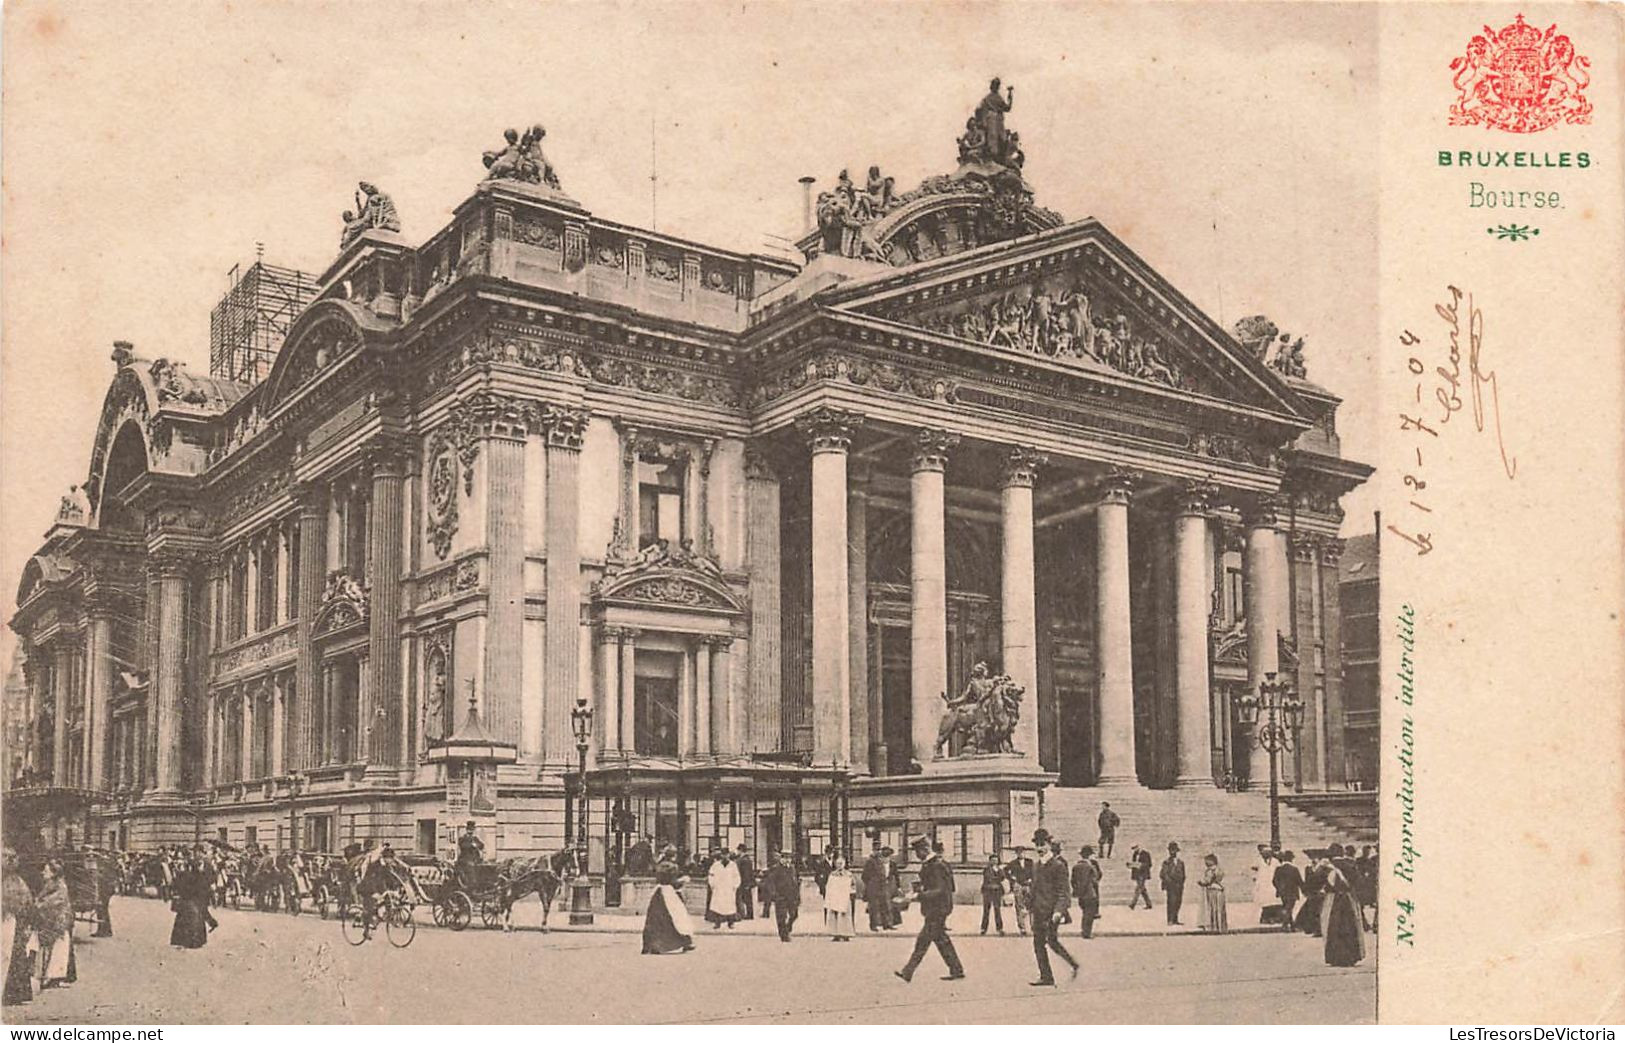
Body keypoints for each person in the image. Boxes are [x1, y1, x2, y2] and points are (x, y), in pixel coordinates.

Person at [895, 838, 964, 983]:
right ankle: (957, 970)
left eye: (917, 852)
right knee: (941, 940)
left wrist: (917, 896)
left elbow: (939, 889)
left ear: (925, 849)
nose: (917, 855)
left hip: (938, 908)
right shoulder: (931, 864)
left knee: (923, 940)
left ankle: (908, 971)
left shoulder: (936, 865)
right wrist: (917, 890)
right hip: (936, 907)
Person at [1025, 830, 1077, 985]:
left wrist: (1059, 911)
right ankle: (1048, 976)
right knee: (1042, 943)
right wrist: (1027, 906)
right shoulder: (1036, 865)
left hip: (1051, 912)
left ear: (1049, 845)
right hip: (1038, 911)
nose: (1040, 848)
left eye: (1042, 845)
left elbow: (1064, 892)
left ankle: (1066, 967)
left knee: (1048, 942)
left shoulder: (1058, 866)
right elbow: (1034, 889)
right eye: (1037, 845)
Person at [641, 846, 695, 955]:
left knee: (655, 919)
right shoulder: (673, 866)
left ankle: (651, 945)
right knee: (678, 917)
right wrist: (683, 880)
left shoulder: (659, 865)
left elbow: (658, 877)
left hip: (658, 892)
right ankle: (684, 942)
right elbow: (673, 882)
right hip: (669, 893)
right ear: (673, 856)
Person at [35, 861, 76, 986]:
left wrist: (39, 904)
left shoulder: (60, 886)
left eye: (46, 871)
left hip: (59, 923)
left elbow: (52, 902)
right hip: (52, 922)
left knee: (59, 949)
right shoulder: (50, 885)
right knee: (53, 949)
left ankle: (55, 977)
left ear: (54, 873)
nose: (43, 873)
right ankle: (51, 975)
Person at [2, 850, 35, 1006]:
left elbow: (24, 905)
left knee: (11, 955)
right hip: (13, 922)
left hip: (11, 922)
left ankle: (12, 993)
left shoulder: (14, 882)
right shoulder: (18, 881)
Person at [1322, 856, 1366, 966]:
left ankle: (1335, 957)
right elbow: (1359, 882)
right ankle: (1351, 956)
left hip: (1334, 900)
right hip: (1348, 899)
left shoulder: (1328, 868)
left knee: (1334, 927)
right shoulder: (1350, 866)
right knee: (1350, 926)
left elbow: (1320, 883)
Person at [168, 855, 212, 949]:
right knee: (196, 921)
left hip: (185, 904)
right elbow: (203, 891)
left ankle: (180, 940)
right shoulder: (200, 877)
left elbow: (176, 886)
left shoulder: (183, 875)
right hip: (195, 905)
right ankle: (194, 942)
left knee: (182, 921)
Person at [760, 850, 800, 942]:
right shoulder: (776, 869)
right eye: (785, 858)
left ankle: (788, 927)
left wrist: (798, 896)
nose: (787, 860)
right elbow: (770, 882)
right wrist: (775, 895)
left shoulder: (792, 869)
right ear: (781, 859)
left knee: (794, 914)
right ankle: (784, 935)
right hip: (781, 896)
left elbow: (795, 882)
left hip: (792, 897)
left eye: (789, 858)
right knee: (781, 917)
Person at [1295, 851, 1330, 936]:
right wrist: (1306, 891)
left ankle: (1318, 930)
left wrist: (1323, 889)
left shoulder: (1324, 868)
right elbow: (1307, 881)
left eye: (1315, 858)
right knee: (1311, 911)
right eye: (1312, 858)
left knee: (1318, 911)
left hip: (1320, 892)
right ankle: (1312, 928)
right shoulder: (1308, 868)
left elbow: (1327, 880)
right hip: (1312, 893)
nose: (1313, 860)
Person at [824, 852, 855, 942]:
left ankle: (846, 934)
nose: (840, 865)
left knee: (845, 915)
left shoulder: (849, 874)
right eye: (838, 863)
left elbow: (853, 886)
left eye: (841, 863)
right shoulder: (832, 874)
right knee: (835, 915)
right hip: (835, 898)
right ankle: (836, 934)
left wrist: (851, 893)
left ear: (844, 864)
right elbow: (829, 886)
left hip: (845, 898)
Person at [1071, 845, 1101, 939]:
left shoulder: (1076, 866)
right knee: (1089, 914)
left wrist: (1077, 890)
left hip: (1081, 894)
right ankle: (1087, 932)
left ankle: (1084, 931)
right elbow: (1095, 878)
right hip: (1090, 893)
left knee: (1085, 913)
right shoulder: (1090, 866)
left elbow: (1072, 881)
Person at [706, 849, 740, 929]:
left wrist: (735, 886)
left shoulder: (733, 865)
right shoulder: (716, 865)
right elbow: (711, 875)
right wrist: (713, 885)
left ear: (729, 855)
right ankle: (717, 923)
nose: (725, 856)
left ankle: (731, 923)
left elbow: (737, 876)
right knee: (718, 906)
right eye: (723, 854)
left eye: (726, 854)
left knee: (730, 906)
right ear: (721, 855)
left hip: (729, 888)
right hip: (719, 888)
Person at [1004, 845, 1034, 936]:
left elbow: (1035, 871)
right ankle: (1022, 928)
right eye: (1019, 852)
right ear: (1016, 853)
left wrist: (1032, 879)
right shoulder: (1013, 863)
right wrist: (1012, 879)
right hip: (1019, 885)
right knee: (1019, 906)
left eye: (1023, 852)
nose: (1021, 854)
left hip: (1029, 885)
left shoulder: (1030, 862)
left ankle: (1033, 926)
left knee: (1031, 906)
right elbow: (1005, 871)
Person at [1273, 851, 1304, 932]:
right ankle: (1285, 925)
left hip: (1282, 893)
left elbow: (1274, 881)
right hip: (1292, 892)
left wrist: (1279, 888)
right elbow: (1299, 881)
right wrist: (1304, 890)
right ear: (1291, 859)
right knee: (1289, 908)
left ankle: (1292, 926)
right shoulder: (1294, 869)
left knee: (1287, 908)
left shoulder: (1279, 869)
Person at [861, 847, 890, 932]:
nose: (877, 852)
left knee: (884, 905)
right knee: (873, 907)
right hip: (873, 887)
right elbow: (864, 876)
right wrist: (871, 883)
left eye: (878, 850)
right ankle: (873, 925)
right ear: (873, 851)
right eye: (875, 850)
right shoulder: (870, 861)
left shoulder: (881, 860)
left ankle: (886, 924)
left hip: (881, 886)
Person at [1198, 854, 1227, 933]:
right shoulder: (1219, 870)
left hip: (1213, 890)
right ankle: (1220, 926)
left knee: (1212, 908)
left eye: (1206, 861)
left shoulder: (1210, 870)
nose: (1205, 863)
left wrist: (1201, 883)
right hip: (1219, 890)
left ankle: (1213, 927)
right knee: (1219, 909)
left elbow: (1208, 881)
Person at [1160, 842, 1187, 925]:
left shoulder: (1180, 862)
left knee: (1178, 902)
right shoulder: (1166, 862)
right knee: (1171, 902)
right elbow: (1163, 874)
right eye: (1171, 850)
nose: (1173, 852)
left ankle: (1175, 919)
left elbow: (1183, 874)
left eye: (1174, 851)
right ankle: (1170, 920)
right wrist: (1169, 882)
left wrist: (1181, 882)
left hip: (1179, 886)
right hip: (1171, 886)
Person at [1252, 845, 1280, 925]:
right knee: (1265, 902)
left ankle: (1271, 918)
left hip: (1272, 884)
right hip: (1263, 884)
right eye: (1263, 853)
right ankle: (1265, 918)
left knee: (1272, 901)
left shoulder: (1275, 861)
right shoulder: (1259, 861)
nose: (1265, 855)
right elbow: (1254, 870)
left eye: (1267, 853)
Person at [978, 853, 1005, 935]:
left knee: (997, 910)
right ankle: (983, 928)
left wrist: (999, 872)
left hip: (997, 891)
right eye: (992, 860)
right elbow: (988, 878)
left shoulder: (1000, 869)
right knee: (986, 910)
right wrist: (997, 878)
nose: (994, 861)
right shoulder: (986, 869)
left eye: (996, 860)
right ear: (989, 861)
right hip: (988, 891)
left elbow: (1003, 877)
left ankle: (999, 928)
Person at [1126, 844, 1153, 910]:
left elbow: (1149, 864)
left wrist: (1140, 865)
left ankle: (1132, 904)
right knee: (1142, 889)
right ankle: (1149, 904)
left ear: (1139, 847)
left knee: (1138, 889)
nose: (1134, 850)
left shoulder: (1145, 854)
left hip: (1143, 874)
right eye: (1133, 848)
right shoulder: (1135, 854)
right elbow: (1134, 863)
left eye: (1135, 848)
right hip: (1137, 874)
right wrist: (1131, 865)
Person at [733, 844, 756, 921]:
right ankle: (749, 914)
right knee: (747, 898)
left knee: (745, 899)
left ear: (741, 850)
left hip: (744, 883)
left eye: (738, 850)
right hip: (745, 882)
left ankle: (748, 914)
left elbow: (746, 873)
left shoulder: (744, 860)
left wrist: (746, 884)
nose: (737, 851)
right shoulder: (746, 859)